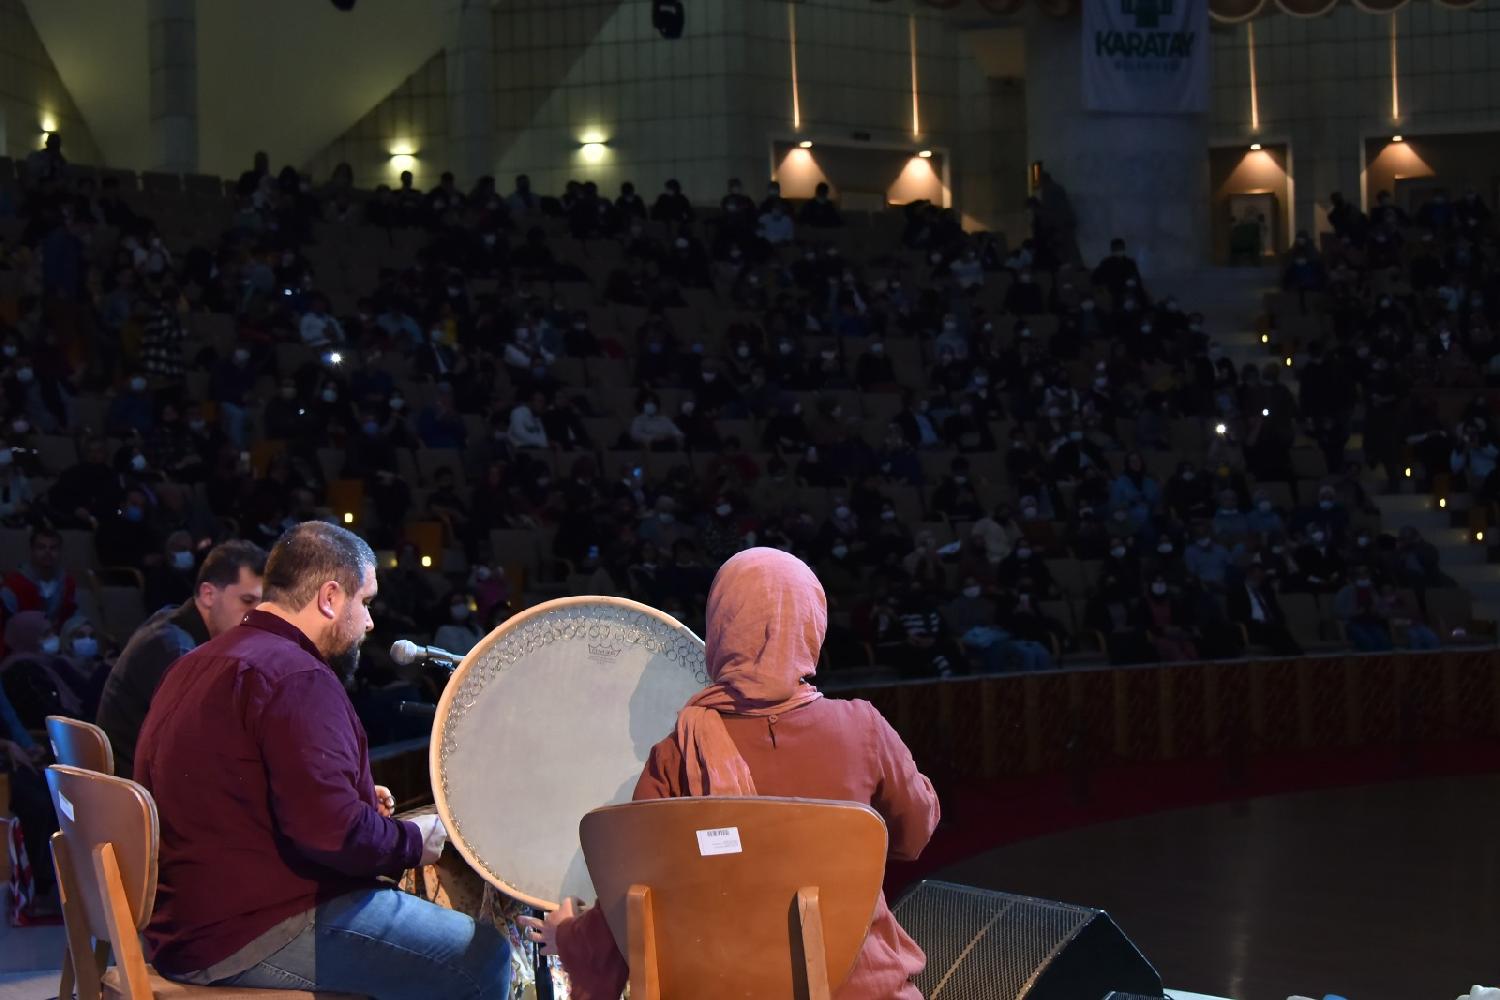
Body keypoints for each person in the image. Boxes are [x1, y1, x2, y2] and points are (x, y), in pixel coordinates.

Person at [520, 548, 939, 999]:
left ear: (721, 627)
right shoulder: (863, 727)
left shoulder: (679, 751)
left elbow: (632, 893)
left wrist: (570, 935)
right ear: (810, 625)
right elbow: (913, 835)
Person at [134, 522, 509, 996]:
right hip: (246, 930)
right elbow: (332, 835)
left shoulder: (199, 662)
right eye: (366, 602)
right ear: (330, 597)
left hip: (186, 923)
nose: (370, 623)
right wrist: (415, 840)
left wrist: (347, 796)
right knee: (481, 958)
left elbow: (238, 790)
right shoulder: (296, 676)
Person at [95, 540, 268, 780]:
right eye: (247, 601)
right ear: (208, 594)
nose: (256, 615)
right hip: (142, 798)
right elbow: (202, 743)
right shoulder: (176, 650)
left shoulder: (171, 624)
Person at [1, 526, 79, 630]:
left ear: (60, 552)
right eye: (41, 547)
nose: (48, 552)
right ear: (32, 551)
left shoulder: (68, 583)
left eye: (53, 548)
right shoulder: (13, 584)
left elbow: (73, 620)